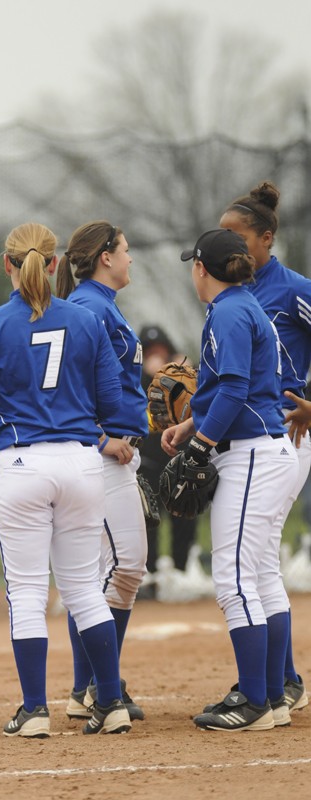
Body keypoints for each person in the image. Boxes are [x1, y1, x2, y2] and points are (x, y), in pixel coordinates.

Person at [0, 222, 132, 738]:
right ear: (54, 265)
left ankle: (33, 712)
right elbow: (113, 409)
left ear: (9, 265)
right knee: (85, 591)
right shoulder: (87, 321)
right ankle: (110, 703)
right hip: (79, 462)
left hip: (21, 466)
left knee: (28, 593)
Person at [162, 228, 298, 731]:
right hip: (262, 449)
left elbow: (238, 387)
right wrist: (192, 425)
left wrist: (200, 446)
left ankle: (256, 702)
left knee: (234, 579)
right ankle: (271, 696)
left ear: (202, 268)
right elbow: (232, 387)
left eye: (192, 265)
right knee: (260, 575)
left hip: (252, 455)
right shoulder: (243, 305)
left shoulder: (230, 312)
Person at [220, 180, 310, 713]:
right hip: (247, 437)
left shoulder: (293, 288)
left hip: (285, 435)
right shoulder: (233, 292)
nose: (232, 246)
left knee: (252, 563)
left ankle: (275, 685)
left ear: (267, 238)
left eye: (239, 236)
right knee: (258, 561)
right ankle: (283, 680)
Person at [56, 221, 147, 722]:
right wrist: (99, 438)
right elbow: (64, 389)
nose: (130, 258)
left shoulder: (99, 304)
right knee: (123, 567)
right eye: (126, 250)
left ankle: (86, 685)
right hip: (99, 455)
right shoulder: (90, 307)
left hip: (116, 452)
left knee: (109, 572)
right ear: (105, 257)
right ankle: (95, 685)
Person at [137, 324, 197, 589]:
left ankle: (181, 572)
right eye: (150, 350)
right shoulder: (135, 376)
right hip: (148, 460)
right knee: (147, 518)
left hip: (178, 459)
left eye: (160, 349)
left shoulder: (181, 372)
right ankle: (148, 575)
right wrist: (146, 374)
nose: (156, 355)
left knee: (183, 516)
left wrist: (173, 372)